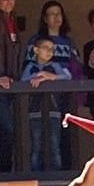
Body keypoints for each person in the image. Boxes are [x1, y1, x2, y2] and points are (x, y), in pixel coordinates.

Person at [27, 0, 83, 167]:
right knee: (39, 137)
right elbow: (28, 70)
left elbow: (76, 69)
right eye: (51, 14)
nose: (56, 17)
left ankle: (64, 171)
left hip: (65, 94)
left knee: (64, 134)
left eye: (59, 13)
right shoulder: (35, 42)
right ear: (45, 18)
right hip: (40, 97)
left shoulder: (69, 42)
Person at [21, 37, 74, 171]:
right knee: (36, 144)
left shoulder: (55, 66)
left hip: (53, 110)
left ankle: (56, 173)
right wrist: (37, 76)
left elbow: (67, 77)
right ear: (36, 50)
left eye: (52, 49)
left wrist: (51, 76)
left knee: (54, 144)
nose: (50, 51)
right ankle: (35, 173)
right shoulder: (31, 67)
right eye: (46, 48)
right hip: (35, 111)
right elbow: (23, 81)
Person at [0, 0, 24, 172]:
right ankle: (1, 170)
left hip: (12, 83)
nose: (9, 1)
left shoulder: (12, 19)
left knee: (11, 130)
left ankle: (5, 169)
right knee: (5, 129)